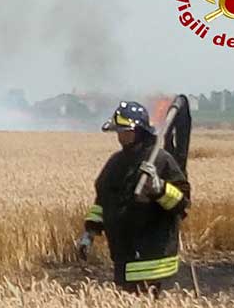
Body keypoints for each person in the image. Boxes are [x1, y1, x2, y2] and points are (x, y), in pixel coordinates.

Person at [75, 100, 191, 296]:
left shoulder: (161, 160)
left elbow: (182, 205)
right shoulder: (116, 163)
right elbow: (103, 201)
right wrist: (89, 232)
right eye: (118, 131)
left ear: (139, 131)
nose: (120, 136)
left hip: (155, 264)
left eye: (124, 131)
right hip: (124, 259)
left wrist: (159, 188)